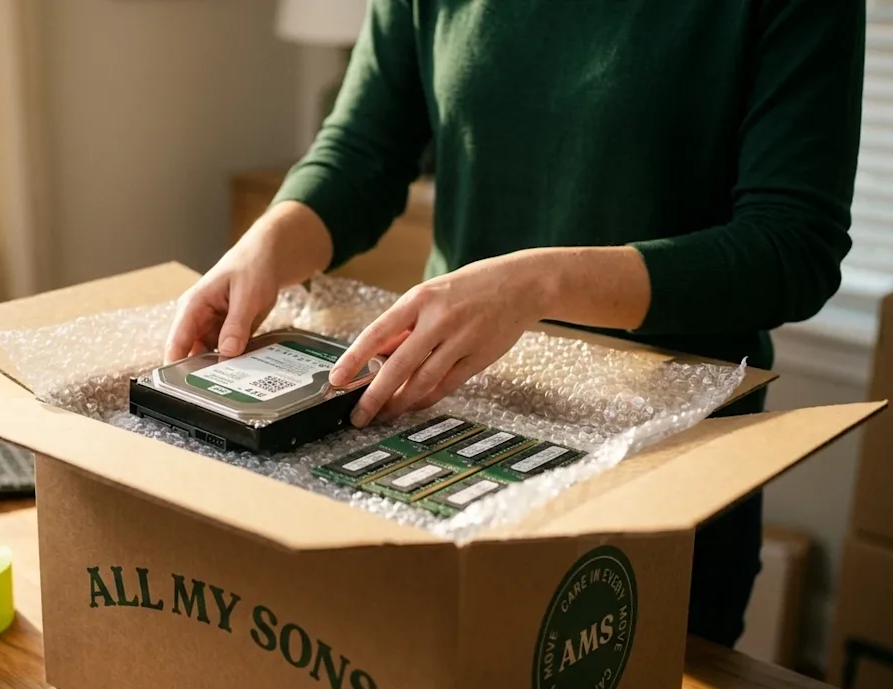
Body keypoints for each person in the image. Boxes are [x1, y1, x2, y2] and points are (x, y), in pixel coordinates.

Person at [165, 1, 865, 647]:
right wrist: (267, 245)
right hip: (442, 442)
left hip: (665, 470)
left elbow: (792, 249)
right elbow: (363, 152)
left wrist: (538, 285)